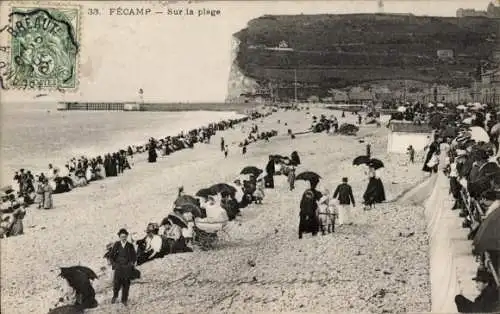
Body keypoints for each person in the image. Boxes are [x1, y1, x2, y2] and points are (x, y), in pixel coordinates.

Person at [109, 228, 137, 306]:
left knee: (126, 284)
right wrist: (114, 264)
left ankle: (124, 299)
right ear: (119, 237)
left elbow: (134, 256)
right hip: (118, 267)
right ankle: (115, 296)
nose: (123, 238)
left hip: (127, 268)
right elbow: (111, 256)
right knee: (116, 283)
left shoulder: (130, 245)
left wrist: (131, 264)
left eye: (124, 237)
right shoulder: (116, 244)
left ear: (127, 236)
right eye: (122, 237)